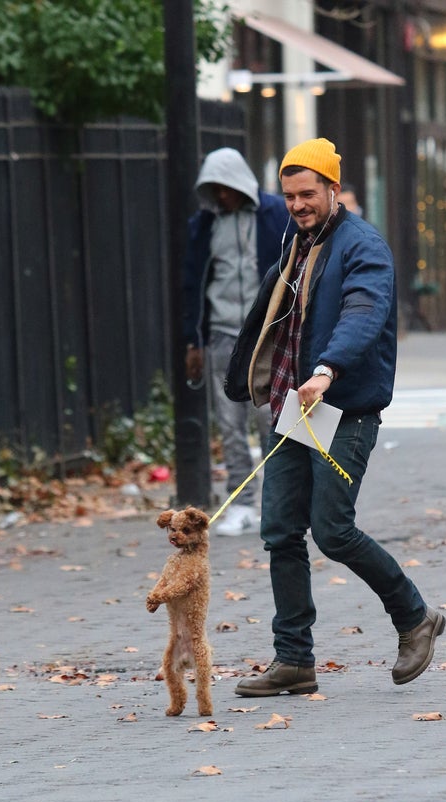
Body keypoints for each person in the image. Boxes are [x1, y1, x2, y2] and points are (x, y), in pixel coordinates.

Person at [225, 137, 445, 695]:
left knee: (333, 530)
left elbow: (363, 312)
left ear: (331, 189)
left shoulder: (362, 246)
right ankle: (294, 660)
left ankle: (415, 617)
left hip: (344, 408)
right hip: (294, 408)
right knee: (279, 531)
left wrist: (327, 369)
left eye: (307, 194)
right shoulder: (295, 243)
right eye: (289, 195)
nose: (297, 204)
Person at [183, 148, 295, 536]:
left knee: (271, 419)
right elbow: (191, 284)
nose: (222, 195)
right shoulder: (204, 224)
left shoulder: (276, 214)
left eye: (226, 187)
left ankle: (279, 502)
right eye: (214, 189)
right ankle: (241, 503)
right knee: (230, 424)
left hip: (268, 332)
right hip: (222, 334)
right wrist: (192, 341)